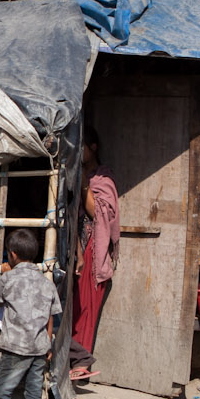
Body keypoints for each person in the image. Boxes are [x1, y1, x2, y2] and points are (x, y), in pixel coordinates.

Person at [0, 228, 61, 399]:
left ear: (13, 254)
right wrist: (48, 344)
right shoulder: (47, 283)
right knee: (34, 389)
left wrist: (4, 273)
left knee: (2, 389)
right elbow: (51, 315)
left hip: (15, 346)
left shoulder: (8, 279)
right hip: (39, 346)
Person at [70, 130, 120, 382]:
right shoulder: (73, 172)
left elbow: (97, 214)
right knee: (72, 305)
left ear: (94, 147)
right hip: (72, 248)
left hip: (90, 249)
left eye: (83, 148)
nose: (78, 153)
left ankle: (81, 364)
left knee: (87, 305)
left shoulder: (103, 178)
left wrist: (85, 186)